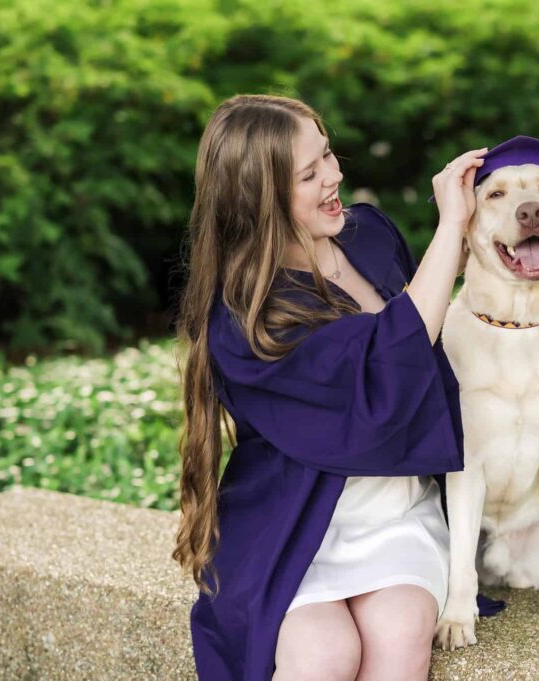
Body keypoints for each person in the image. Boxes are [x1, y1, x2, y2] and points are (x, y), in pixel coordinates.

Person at [171, 93, 500, 681]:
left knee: (400, 641)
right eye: (309, 172)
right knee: (324, 655)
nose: (335, 176)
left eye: (329, 155)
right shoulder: (249, 319)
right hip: (293, 528)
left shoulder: (369, 234)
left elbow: (423, 333)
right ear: (260, 196)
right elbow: (383, 373)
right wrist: (449, 225)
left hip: (397, 516)